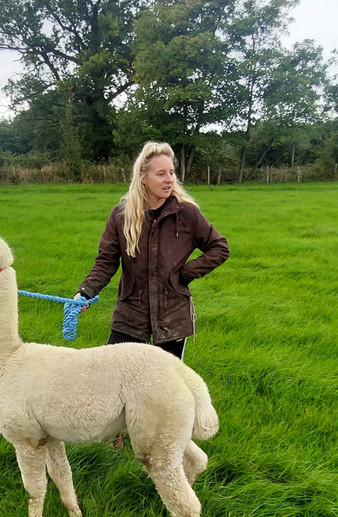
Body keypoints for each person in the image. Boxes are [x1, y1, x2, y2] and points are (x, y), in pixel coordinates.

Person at [75, 141, 229, 362]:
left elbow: (220, 248)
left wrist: (185, 273)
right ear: (143, 176)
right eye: (161, 174)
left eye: (172, 173)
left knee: (166, 391)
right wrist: (86, 292)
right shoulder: (121, 215)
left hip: (172, 317)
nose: (169, 179)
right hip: (130, 314)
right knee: (116, 377)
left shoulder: (187, 214)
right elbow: (106, 261)